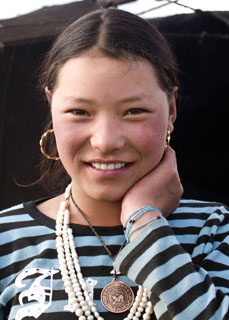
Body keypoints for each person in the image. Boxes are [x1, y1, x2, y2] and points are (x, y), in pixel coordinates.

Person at [0, 8, 229, 320]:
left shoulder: (215, 230)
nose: (106, 141)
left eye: (134, 111)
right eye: (79, 112)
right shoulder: (6, 238)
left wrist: (144, 220)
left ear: (171, 109)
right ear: (51, 106)